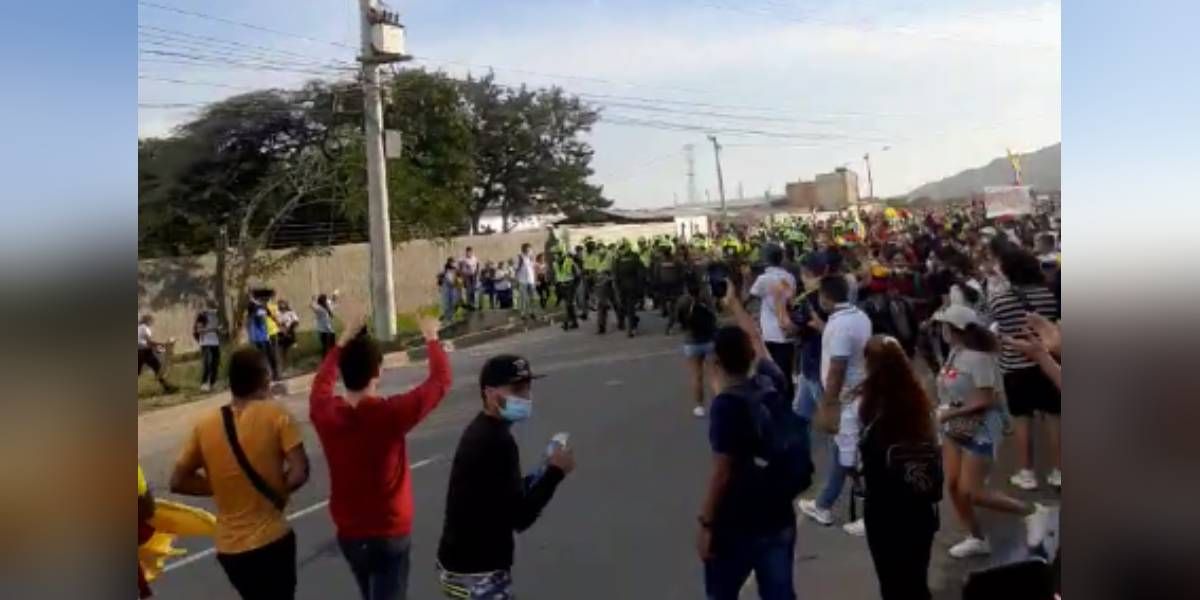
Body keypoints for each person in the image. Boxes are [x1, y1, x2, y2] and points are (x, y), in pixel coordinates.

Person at [310, 312, 450, 600]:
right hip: (389, 535)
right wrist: (431, 338)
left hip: (349, 535)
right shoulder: (390, 414)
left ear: (343, 373)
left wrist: (341, 342)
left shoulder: (326, 415)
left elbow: (320, 384)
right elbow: (440, 381)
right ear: (377, 372)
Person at [170, 347, 310, 599]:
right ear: (265, 379)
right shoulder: (276, 414)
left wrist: (222, 486)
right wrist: (276, 489)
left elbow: (178, 481)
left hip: (230, 550)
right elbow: (299, 472)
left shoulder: (205, 424)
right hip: (272, 540)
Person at [436, 355, 575, 599]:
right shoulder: (497, 441)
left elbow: (500, 495)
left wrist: (540, 473)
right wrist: (555, 473)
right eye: (517, 389)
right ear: (490, 393)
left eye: (528, 388)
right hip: (477, 573)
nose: (526, 397)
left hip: (460, 565)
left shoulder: (484, 429)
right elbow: (520, 516)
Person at [697, 286, 800, 600]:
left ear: (715, 363)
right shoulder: (771, 382)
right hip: (779, 511)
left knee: (722, 592)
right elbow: (756, 340)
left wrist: (706, 522)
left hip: (738, 520)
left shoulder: (726, 407)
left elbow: (722, 472)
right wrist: (734, 306)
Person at [933, 305, 1053, 560]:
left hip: (981, 429)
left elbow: (986, 400)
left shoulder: (978, 358)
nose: (940, 330)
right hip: (954, 427)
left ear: (956, 329)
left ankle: (1030, 511)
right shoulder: (955, 352)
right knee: (954, 485)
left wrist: (949, 413)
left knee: (972, 490)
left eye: (944, 325)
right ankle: (975, 537)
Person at [857, 335, 942, 600]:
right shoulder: (919, 403)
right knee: (917, 579)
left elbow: (855, 459)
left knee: (892, 581)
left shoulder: (869, 408)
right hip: (921, 508)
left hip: (884, 512)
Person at [800, 274, 872, 536]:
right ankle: (824, 504)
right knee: (846, 454)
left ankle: (868, 513)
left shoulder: (839, 326)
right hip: (858, 394)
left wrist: (829, 406)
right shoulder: (858, 318)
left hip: (847, 400)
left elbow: (837, 367)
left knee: (852, 458)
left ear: (826, 298)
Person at [986, 248, 1061, 490]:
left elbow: (995, 325)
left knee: (1021, 419)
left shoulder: (999, 298)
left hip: (1014, 365)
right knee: (1054, 417)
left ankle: (1026, 472)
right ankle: (1059, 470)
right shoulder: (1048, 294)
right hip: (1047, 363)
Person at [750, 244, 798, 399]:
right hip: (786, 329)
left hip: (770, 333)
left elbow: (751, 295)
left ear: (766, 259)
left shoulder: (763, 279)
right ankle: (788, 403)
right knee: (786, 371)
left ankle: (778, 404)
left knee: (771, 372)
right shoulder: (788, 277)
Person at [677, 290, 718, 418]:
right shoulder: (704, 300)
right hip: (709, 340)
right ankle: (718, 403)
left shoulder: (683, 302)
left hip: (691, 343)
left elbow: (680, 321)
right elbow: (713, 317)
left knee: (696, 376)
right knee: (714, 376)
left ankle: (700, 406)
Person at [612, 241, 646, 337]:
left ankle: (631, 329)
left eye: (623, 247)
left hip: (632, 286)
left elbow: (641, 272)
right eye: (620, 248)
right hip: (621, 287)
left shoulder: (635, 257)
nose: (621, 249)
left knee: (630, 307)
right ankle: (634, 320)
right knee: (623, 307)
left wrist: (640, 286)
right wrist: (616, 285)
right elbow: (615, 273)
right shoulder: (618, 258)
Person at [138, 314, 178, 393]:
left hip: (139, 351)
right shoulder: (145, 328)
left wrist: (157, 347)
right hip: (145, 352)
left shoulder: (139, 327)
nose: (152, 322)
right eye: (151, 320)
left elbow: (145, 343)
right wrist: (163, 344)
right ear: (148, 320)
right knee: (158, 368)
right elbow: (149, 342)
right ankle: (167, 388)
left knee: (141, 371)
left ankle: (167, 387)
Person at [246, 297, 280, 381]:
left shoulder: (260, 310)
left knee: (270, 355)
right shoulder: (255, 313)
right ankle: (267, 375)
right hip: (259, 339)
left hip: (264, 337)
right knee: (264, 357)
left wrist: (277, 321)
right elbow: (260, 312)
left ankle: (274, 374)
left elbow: (269, 314)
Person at [552, 249, 581, 330]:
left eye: (557, 254)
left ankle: (566, 323)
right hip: (561, 286)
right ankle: (574, 322)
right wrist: (556, 287)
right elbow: (556, 275)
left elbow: (578, 275)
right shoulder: (555, 263)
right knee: (569, 306)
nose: (555, 256)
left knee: (568, 304)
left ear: (562, 255)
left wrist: (575, 286)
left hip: (570, 286)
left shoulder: (570, 262)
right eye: (555, 255)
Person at [194, 310, 221, 392]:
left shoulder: (216, 315)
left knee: (215, 364)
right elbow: (199, 331)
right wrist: (213, 329)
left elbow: (217, 329)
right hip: (206, 343)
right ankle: (204, 383)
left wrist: (219, 331)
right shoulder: (202, 315)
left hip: (215, 343)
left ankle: (213, 383)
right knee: (207, 363)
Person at [515, 244, 538, 320]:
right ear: (523, 250)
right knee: (524, 298)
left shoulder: (531, 258)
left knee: (532, 298)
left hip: (530, 281)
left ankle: (532, 312)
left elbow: (533, 269)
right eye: (528, 250)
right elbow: (516, 269)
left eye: (530, 250)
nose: (530, 251)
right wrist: (516, 280)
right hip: (522, 281)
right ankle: (523, 314)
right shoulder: (520, 257)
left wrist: (535, 280)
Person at [275, 300, 300, 369]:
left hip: (290, 333)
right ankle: (284, 365)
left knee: (292, 348)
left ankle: (292, 364)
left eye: (283, 304)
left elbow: (296, 322)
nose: (281, 305)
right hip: (281, 333)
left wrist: (289, 328)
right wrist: (282, 328)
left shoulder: (291, 312)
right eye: (279, 304)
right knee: (282, 350)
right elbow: (277, 322)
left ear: (286, 305)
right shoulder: (277, 313)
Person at [439, 258, 459, 324]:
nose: (453, 264)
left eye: (453, 262)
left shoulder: (455, 270)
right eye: (452, 262)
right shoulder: (445, 270)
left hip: (453, 288)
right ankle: (446, 318)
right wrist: (440, 285)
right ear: (449, 262)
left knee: (453, 303)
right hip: (446, 289)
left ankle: (451, 317)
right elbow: (440, 278)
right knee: (446, 303)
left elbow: (458, 278)